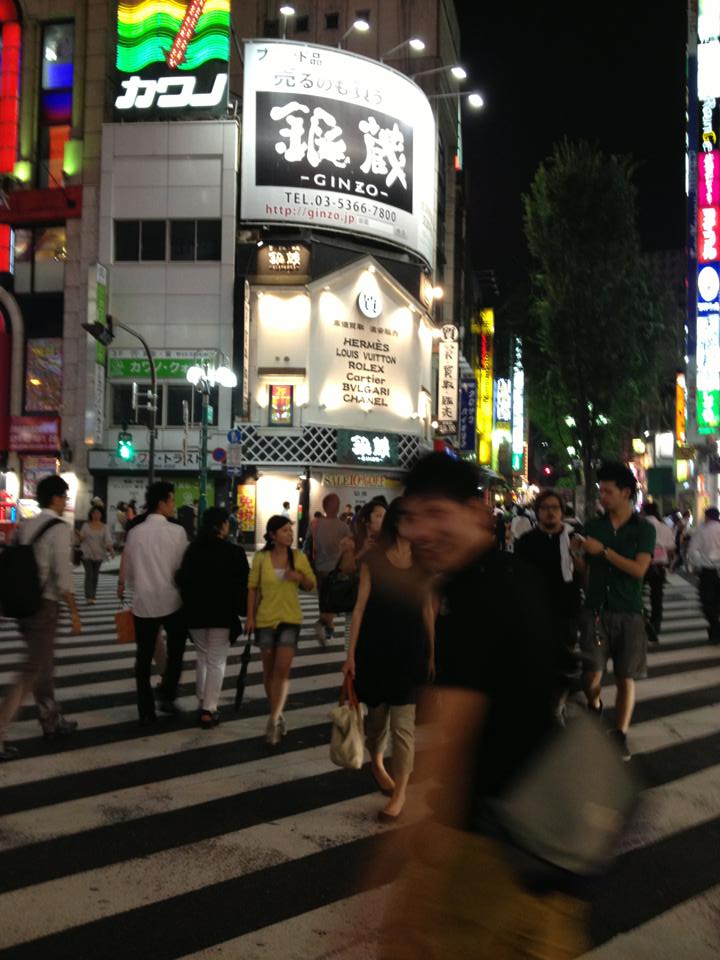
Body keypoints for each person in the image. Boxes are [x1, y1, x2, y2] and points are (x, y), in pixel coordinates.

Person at [378, 453, 584, 959]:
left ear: (477, 512)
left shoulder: (474, 596)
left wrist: (395, 856)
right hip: (544, 835)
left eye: (436, 513)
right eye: (412, 516)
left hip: (491, 843)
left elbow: (454, 741)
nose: (421, 530)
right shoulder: (511, 573)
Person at [342, 499, 434, 821]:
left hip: (410, 649)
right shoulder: (374, 558)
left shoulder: (423, 561)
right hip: (375, 650)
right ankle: (377, 761)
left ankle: (400, 793)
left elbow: (428, 609)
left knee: (403, 727)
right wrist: (350, 654)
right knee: (377, 721)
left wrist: (433, 652)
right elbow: (359, 608)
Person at [575, 461, 655, 761]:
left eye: (608, 491)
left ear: (625, 493)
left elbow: (639, 569)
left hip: (630, 611)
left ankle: (620, 733)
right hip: (595, 610)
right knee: (591, 675)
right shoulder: (593, 527)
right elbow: (583, 571)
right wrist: (577, 556)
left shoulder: (643, 529)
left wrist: (604, 552)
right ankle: (594, 704)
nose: (603, 497)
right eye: (601, 491)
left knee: (625, 677)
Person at [0, 475, 81, 761]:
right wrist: (74, 611)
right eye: (65, 497)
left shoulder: (25, 525)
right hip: (44, 607)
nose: (65, 501)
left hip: (22, 605)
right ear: (56, 498)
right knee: (31, 669)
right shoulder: (59, 528)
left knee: (42, 666)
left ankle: (51, 719)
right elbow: (63, 575)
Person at [119, 481, 189, 726]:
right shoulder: (177, 532)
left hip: (144, 602)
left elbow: (129, 571)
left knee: (144, 657)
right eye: (171, 500)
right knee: (177, 651)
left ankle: (145, 709)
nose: (174, 505)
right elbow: (182, 569)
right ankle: (168, 695)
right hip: (172, 600)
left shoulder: (135, 533)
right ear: (162, 503)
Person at [176, 507, 250, 728]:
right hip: (222, 614)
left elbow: (182, 579)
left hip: (195, 613)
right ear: (222, 525)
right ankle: (209, 709)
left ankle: (202, 699)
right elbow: (242, 585)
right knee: (216, 661)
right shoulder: (233, 552)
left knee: (203, 656)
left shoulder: (193, 550)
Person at [246, 515, 316, 745]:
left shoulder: (298, 557)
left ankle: (274, 719)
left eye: (290, 530)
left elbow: (311, 584)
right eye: (285, 530)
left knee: (282, 671)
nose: (290, 534)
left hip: (290, 619)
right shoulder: (261, 558)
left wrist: (299, 577)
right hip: (265, 620)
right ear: (273, 535)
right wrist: (250, 617)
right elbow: (253, 588)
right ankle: (278, 712)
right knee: (268, 673)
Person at [514, 488, 583, 712]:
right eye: (545, 508)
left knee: (565, 660)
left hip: (566, 609)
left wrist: (575, 553)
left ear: (562, 511)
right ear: (537, 512)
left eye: (555, 508)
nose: (550, 512)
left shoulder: (574, 538)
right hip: (536, 610)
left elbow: (583, 572)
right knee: (540, 659)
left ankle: (559, 704)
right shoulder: (526, 541)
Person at [338, 499, 387, 649]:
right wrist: (363, 551)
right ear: (366, 521)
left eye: (385, 516)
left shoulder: (388, 544)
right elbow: (345, 569)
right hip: (354, 602)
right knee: (353, 648)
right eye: (378, 516)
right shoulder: (351, 542)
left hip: (380, 604)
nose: (383, 520)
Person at [312, 493, 349, 644]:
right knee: (333, 600)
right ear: (338, 507)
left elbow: (309, 544)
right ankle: (325, 624)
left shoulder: (315, 524)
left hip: (320, 568)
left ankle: (328, 625)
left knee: (323, 599)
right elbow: (348, 548)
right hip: (336, 570)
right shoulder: (344, 527)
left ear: (324, 507)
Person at [641, 500, 676, 642]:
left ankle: (644, 621)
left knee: (635, 595)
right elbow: (671, 548)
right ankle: (655, 625)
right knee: (657, 598)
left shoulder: (640, 525)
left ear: (644, 512)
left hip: (641, 565)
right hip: (659, 567)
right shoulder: (664, 527)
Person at [687, 506, 720, 644]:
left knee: (706, 601)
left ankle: (715, 628)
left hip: (708, 571)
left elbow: (692, 551)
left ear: (707, 517)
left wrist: (697, 564)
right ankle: (715, 631)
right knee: (716, 602)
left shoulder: (702, 531)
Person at [78, 505, 114, 604]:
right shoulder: (85, 526)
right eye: (94, 513)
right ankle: (89, 597)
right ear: (91, 514)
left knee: (95, 576)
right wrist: (79, 536)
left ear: (101, 515)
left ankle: (93, 596)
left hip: (99, 554)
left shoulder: (105, 527)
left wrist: (111, 550)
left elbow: (108, 540)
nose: (96, 515)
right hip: (86, 553)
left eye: (98, 513)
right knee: (89, 575)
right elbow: (81, 539)